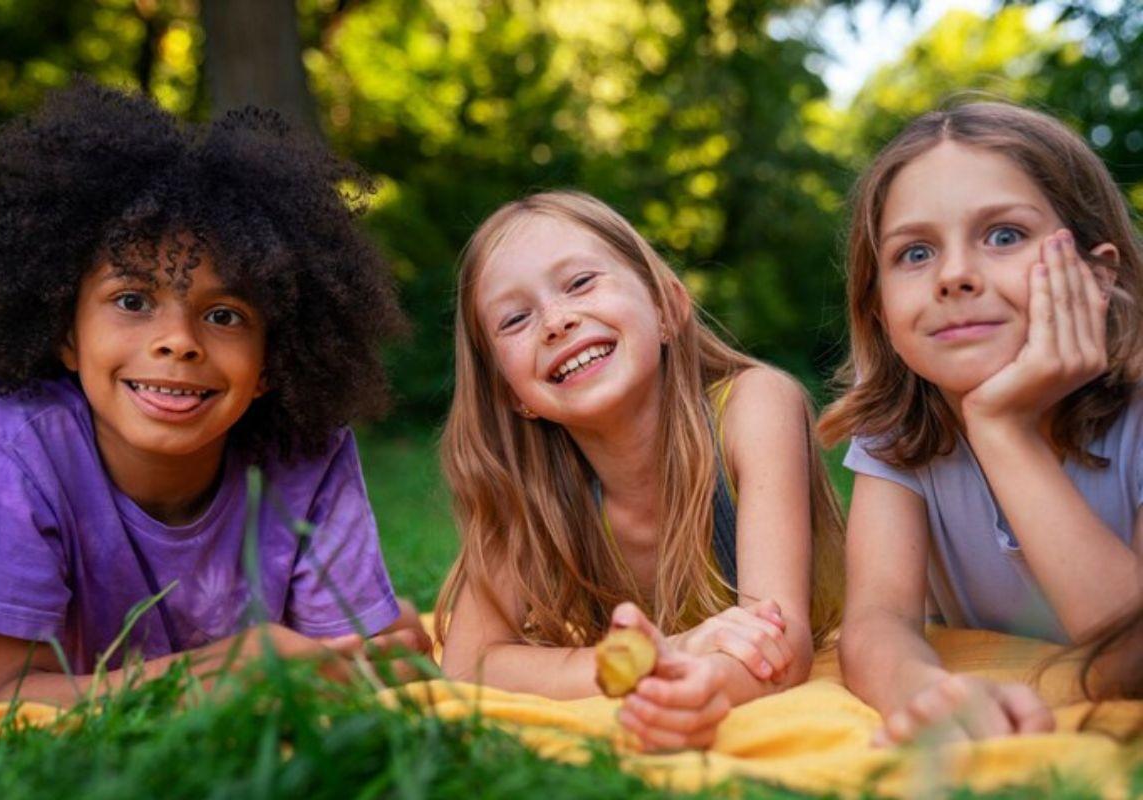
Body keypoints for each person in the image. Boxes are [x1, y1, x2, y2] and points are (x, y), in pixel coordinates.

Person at [0, 81, 428, 706]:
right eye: (132, 301)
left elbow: (356, 669)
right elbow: (2, 699)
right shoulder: (19, 447)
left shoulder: (309, 454)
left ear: (272, 362)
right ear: (67, 332)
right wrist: (230, 668)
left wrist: (379, 654)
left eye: (225, 315)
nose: (178, 341)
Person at [435, 190, 845, 751]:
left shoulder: (754, 408)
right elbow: (466, 666)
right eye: (515, 319)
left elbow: (779, 642)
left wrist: (696, 686)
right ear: (510, 395)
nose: (556, 321)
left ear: (666, 309)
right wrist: (664, 658)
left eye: (580, 283)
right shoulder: (531, 486)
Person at [818, 101, 1143, 745]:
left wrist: (1001, 428)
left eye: (1003, 236)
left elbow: (1130, 660)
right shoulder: (896, 433)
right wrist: (923, 691)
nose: (956, 276)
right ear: (880, 308)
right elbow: (877, 620)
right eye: (915, 253)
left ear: (1096, 274)